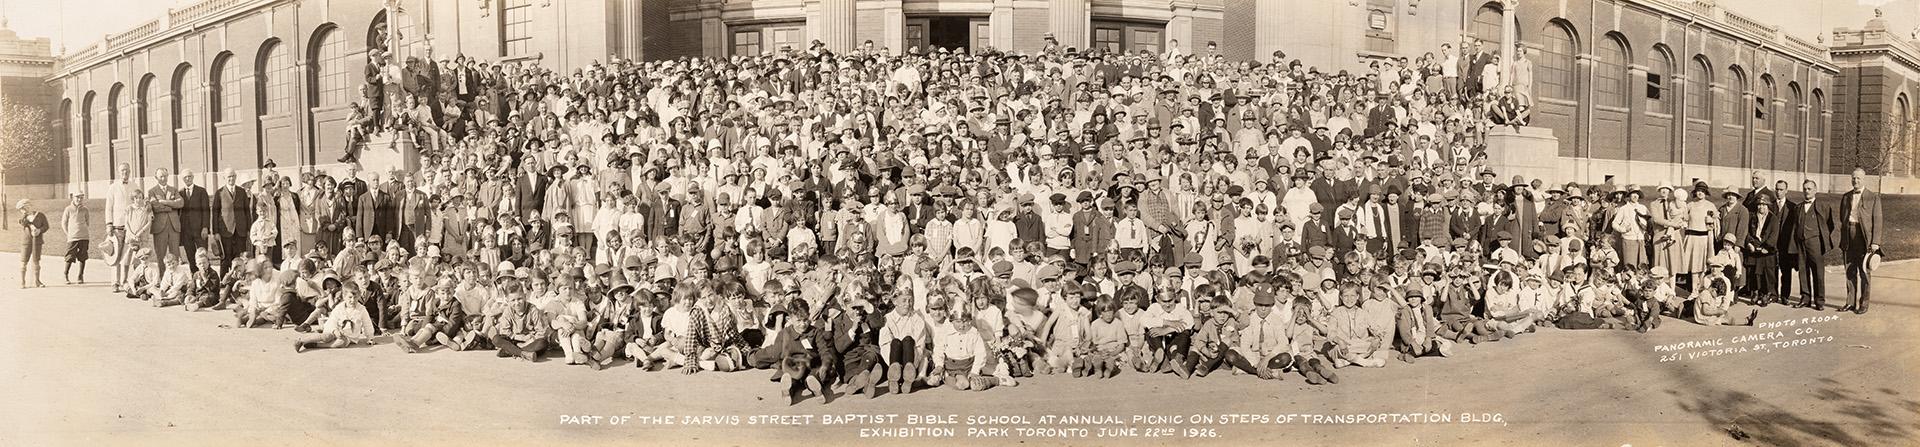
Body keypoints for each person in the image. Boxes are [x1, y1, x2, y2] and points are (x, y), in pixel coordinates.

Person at [1785, 179, 1836, 310]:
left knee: (1818, 272)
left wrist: (1819, 236)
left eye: (1809, 189)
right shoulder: (1798, 207)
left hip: (1815, 243)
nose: (1806, 191)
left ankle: (1819, 301)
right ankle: (1805, 298)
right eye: (1805, 189)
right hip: (1800, 243)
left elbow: (1829, 224)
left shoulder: (1822, 206)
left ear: (1815, 190)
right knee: (1803, 270)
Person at [1838, 168, 1882, 314]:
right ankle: (1850, 302)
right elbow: (1842, 217)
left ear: (1864, 179)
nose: (1855, 181)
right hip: (1849, 236)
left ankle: (1864, 303)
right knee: (1849, 270)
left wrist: (1875, 242)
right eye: (1853, 178)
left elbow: (1878, 221)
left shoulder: (1873, 197)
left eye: (1858, 178)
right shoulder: (1846, 197)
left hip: (1864, 239)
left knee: (1864, 272)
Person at [18, 199, 49, 288]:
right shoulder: (23, 218)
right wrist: (25, 215)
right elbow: (23, 223)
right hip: (26, 242)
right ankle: (22, 282)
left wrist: (40, 230)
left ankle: (37, 281)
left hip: (37, 241)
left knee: (36, 261)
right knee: (24, 262)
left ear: (29, 206)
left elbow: (46, 226)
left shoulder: (40, 215)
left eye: (25, 207)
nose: (24, 210)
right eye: (22, 209)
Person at [62, 193, 91, 284]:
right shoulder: (68, 209)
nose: (79, 199)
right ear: (73, 198)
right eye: (77, 197)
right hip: (72, 237)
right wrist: (68, 234)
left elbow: (87, 222)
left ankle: (80, 275)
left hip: (84, 236)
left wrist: (83, 230)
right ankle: (65, 275)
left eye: (81, 198)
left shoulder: (85, 209)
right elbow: (64, 223)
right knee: (70, 256)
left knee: (83, 256)